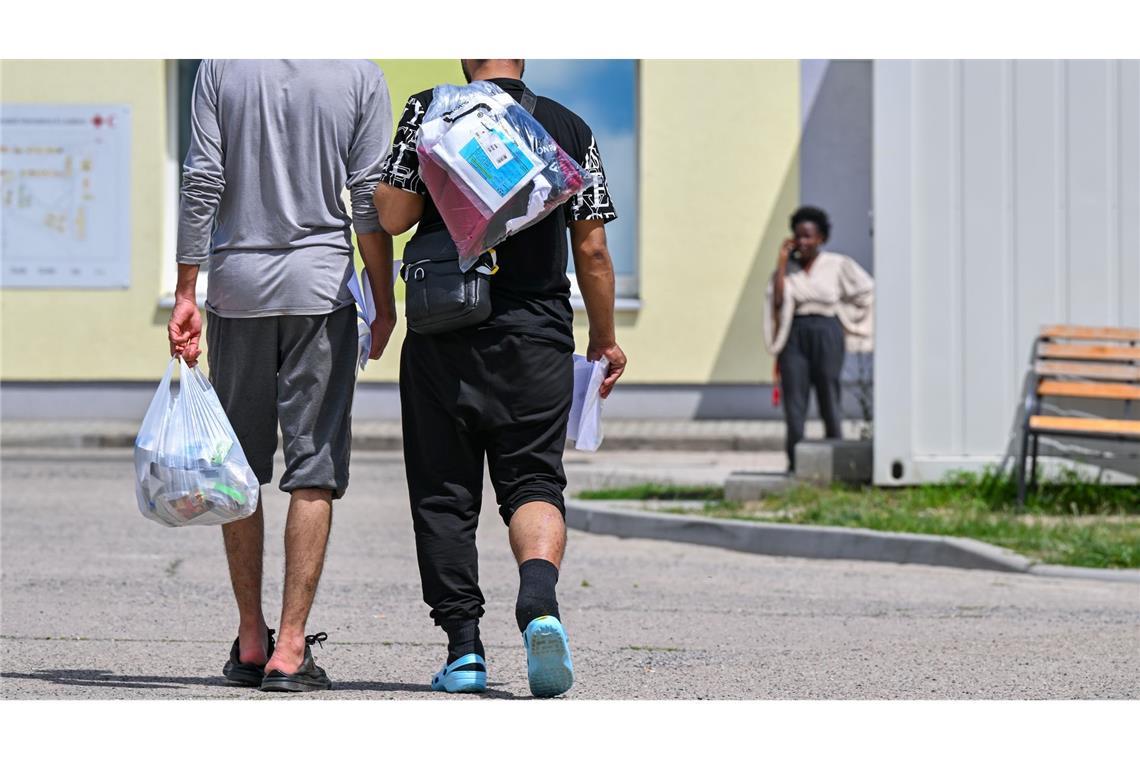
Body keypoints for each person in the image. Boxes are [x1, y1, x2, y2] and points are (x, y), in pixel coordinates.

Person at [375, 59, 626, 698]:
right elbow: (592, 248)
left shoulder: (430, 111)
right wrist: (603, 338)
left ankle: (464, 653)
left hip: (443, 336)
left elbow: (394, 215)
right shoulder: (570, 128)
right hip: (537, 338)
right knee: (534, 481)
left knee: (444, 495)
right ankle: (538, 602)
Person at [167, 60, 396, 692]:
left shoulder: (222, 64)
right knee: (313, 467)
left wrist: (187, 287)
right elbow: (369, 193)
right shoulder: (358, 72)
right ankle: (289, 648)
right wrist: (384, 294)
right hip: (321, 289)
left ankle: (249, 637)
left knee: (237, 467)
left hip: (236, 290)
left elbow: (202, 177)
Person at [766, 206, 873, 472]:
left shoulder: (837, 265)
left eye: (808, 236)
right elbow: (776, 302)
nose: (803, 242)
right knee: (795, 403)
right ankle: (795, 463)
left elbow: (867, 291)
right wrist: (781, 263)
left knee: (829, 397)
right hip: (795, 335)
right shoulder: (788, 270)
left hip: (827, 332)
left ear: (821, 238)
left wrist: (846, 318)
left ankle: (838, 464)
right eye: (798, 236)